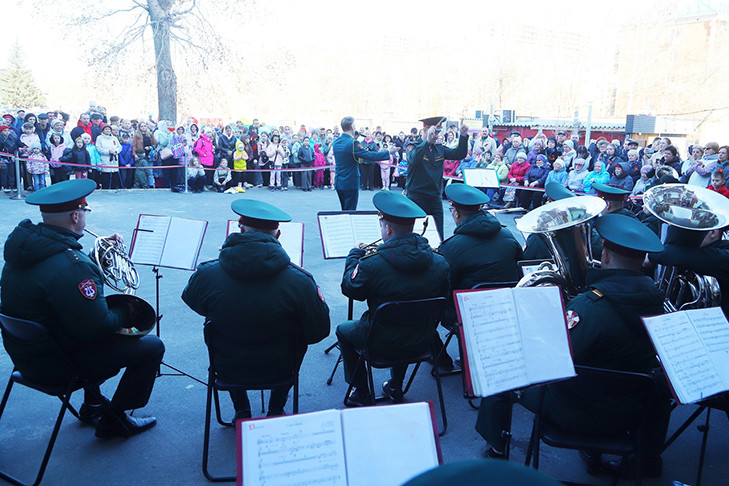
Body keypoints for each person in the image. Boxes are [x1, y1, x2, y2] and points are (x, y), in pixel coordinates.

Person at [477, 214, 669, 479]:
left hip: (572, 410)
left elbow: (548, 361)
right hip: (630, 412)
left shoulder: (589, 307)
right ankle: (614, 457)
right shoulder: (660, 305)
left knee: (504, 366)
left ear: (607, 256)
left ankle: (497, 447)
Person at [0, 179, 164, 438]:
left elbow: (58, 276)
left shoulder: (24, 252)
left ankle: (94, 403)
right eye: (85, 212)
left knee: (79, 321)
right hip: (58, 366)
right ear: (76, 216)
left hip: (26, 357)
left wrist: (88, 256)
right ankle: (115, 420)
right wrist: (128, 310)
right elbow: (96, 329)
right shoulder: (71, 266)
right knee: (151, 346)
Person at [182, 199, 330, 419]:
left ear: (240, 230)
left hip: (228, 367)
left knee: (217, 327)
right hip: (281, 368)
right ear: (277, 235)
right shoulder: (300, 281)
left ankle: (241, 409)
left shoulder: (207, 274)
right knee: (296, 335)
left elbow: (193, 301)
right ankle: (276, 408)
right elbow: (318, 331)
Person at [336, 191, 450, 405]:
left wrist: (354, 255)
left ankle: (361, 391)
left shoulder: (373, 264)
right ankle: (396, 385)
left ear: (387, 228)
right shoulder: (440, 263)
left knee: (343, 330)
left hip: (380, 341)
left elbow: (350, 289)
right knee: (408, 318)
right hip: (422, 340)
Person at [434, 184, 523, 370]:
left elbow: (443, 284)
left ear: (456, 213)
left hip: (469, 312)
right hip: (507, 307)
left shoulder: (452, 246)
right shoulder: (507, 234)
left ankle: (441, 360)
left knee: (427, 305)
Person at [405, 117, 469, 239]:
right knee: (415, 234)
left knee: (439, 234)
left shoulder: (439, 148)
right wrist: (426, 142)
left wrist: (463, 136)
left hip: (434, 197)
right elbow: (414, 160)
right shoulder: (413, 146)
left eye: (438, 133)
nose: (435, 136)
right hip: (416, 197)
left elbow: (459, 154)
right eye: (433, 133)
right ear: (424, 131)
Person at [332, 116, 395, 210]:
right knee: (350, 211)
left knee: (344, 209)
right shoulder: (354, 143)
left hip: (339, 181)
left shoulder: (336, 142)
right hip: (350, 182)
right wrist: (388, 152)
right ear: (353, 126)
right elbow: (370, 155)